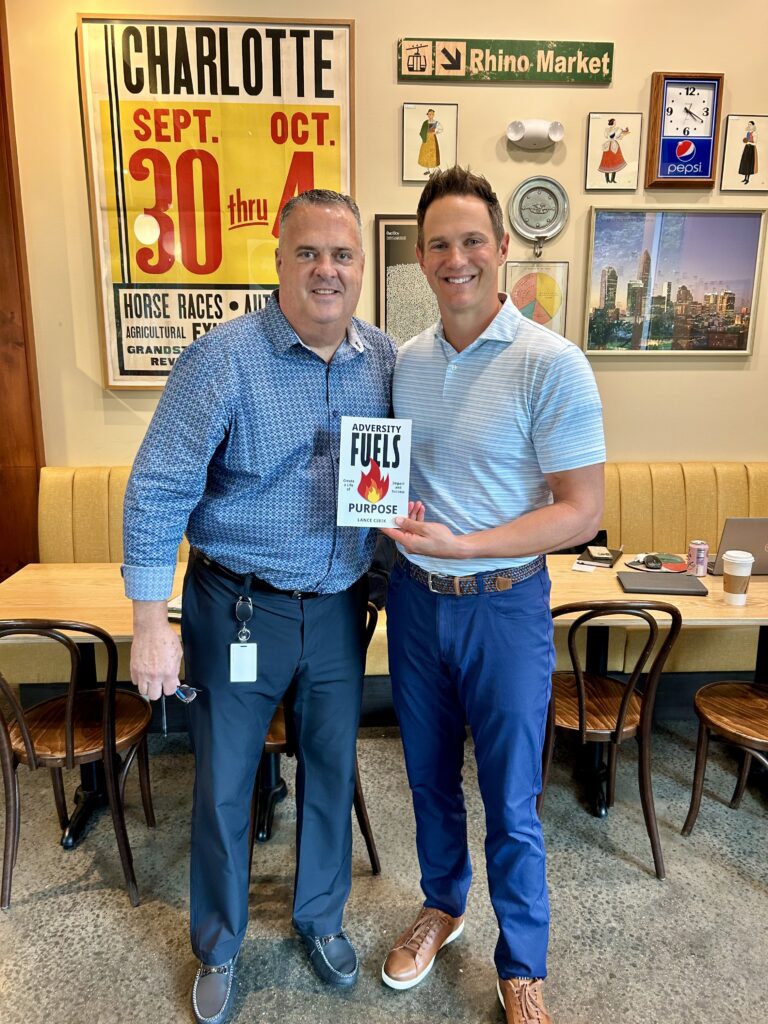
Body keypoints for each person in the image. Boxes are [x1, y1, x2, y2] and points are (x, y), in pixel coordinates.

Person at [122, 189, 397, 1024]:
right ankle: (219, 943)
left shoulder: (383, 358)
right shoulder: (222, 359)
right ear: (277, 262)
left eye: (342, 256)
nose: (327, 270)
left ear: (360, 270)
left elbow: (389, 483)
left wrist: (388, 572)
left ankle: (319, 919)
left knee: (331, 772)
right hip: (235, 607)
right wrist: (150, 622)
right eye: (308, 253)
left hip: (341, 609)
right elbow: (157, 490)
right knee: (225, 784)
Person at [380, 166, 605, 1024]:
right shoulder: (403, 362)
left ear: (503, 249)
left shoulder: (553, 363)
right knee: (429, 780)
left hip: (505, 605)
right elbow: (402, 482)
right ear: (420, 259)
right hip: (415, 603)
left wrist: (465, 547)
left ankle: (524, 963)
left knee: (511, 797)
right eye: (438, 243)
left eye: (472, 239)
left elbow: (581, 513)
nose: (456, 257)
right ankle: (443, 905)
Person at [598, 118, 630, 183]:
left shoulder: (617, 129)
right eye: (614, 122)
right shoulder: (608, 130)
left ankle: (612, 179)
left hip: (614, 146)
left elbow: (620, 134)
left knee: (615, 162)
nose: (615, 123)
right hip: (608, 147)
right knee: (606, 162)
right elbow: (608, 136)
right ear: (612, 123)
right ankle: (607, 180)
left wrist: (624, 131)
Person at [418, 108, 442, 174]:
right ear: (428, 115)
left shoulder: (435, 122)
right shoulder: (425, 122)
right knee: (426, 153)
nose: (430, 115)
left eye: (432, 114)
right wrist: (424, 136)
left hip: (433, 139)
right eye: (429, 114)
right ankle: (428, 170)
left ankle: (433, 172)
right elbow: (422, 130)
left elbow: (441, 129)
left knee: (433, 154)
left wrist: (435, 132)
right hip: (426, 139)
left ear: (433, 115)